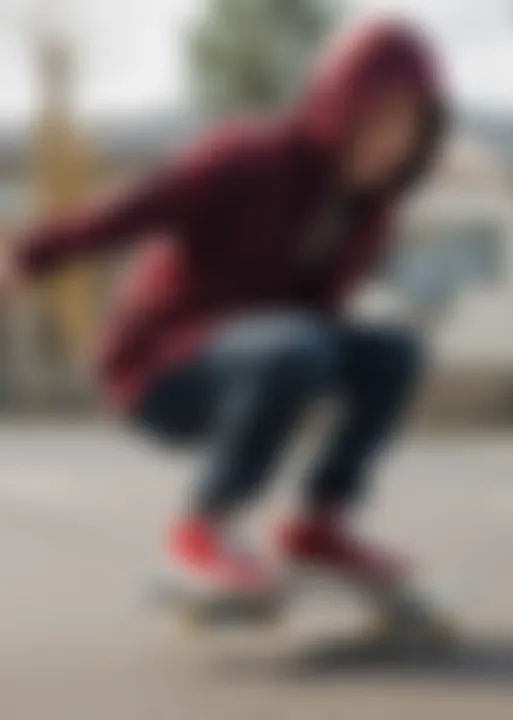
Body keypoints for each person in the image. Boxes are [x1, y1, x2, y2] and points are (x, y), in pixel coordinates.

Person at [0, 19, 446, 598]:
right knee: (295, 345)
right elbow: (134, 208)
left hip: (263, 359)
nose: (394, 143)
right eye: (381, 120)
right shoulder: (245, 161)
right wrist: (29, 257)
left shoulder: (372, 210)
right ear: (342, 107)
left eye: (410, 127)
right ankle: (203, 527)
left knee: (394, 354)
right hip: (157, 370)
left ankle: (318, 525)